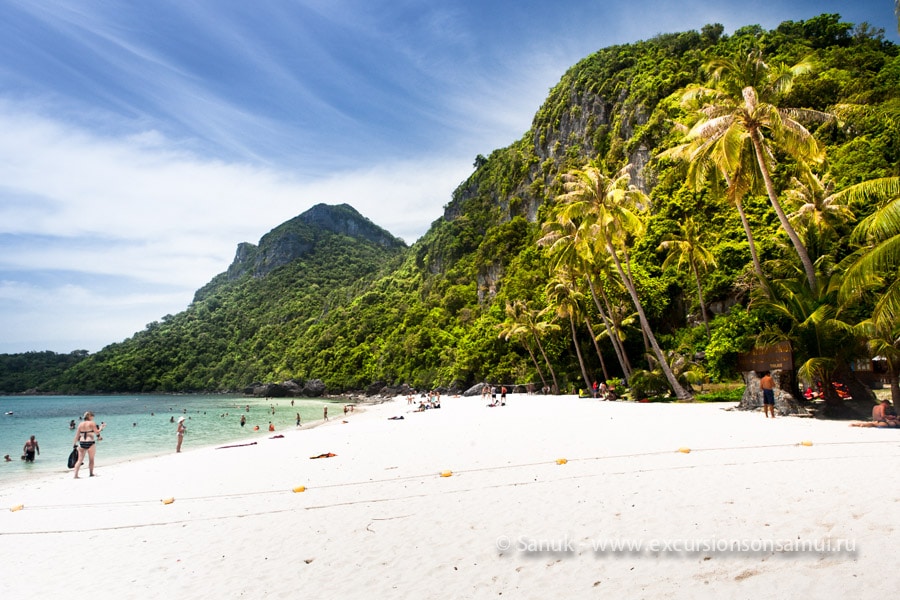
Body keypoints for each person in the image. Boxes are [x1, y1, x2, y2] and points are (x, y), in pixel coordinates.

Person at [73, 411, 105, 478]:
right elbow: (97, 432)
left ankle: (75, 475)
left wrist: (74, 444)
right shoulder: (92, 423)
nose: (93, 418)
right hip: (90, 442)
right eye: (92, 416)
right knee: (91, 459)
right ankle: (91, 473)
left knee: (79, 460)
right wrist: (101, 427)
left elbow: (76, 436)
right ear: (90, 416)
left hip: (82, 442)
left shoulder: (80, 424)